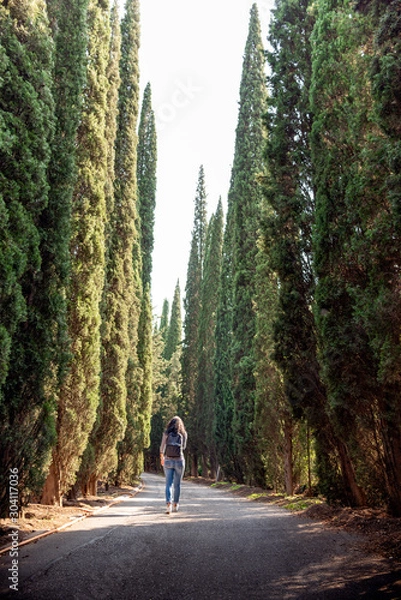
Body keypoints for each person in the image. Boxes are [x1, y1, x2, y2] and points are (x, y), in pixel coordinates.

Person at [160, 416, 187, 514]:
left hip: (168, 460)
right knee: (177, 485)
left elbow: (162, 447)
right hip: (179, 461)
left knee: (168, 484)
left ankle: (168, 505)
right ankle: (175, 504)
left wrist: (162, 457)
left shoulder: (166, 433)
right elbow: (183, 447)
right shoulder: (183, 434)